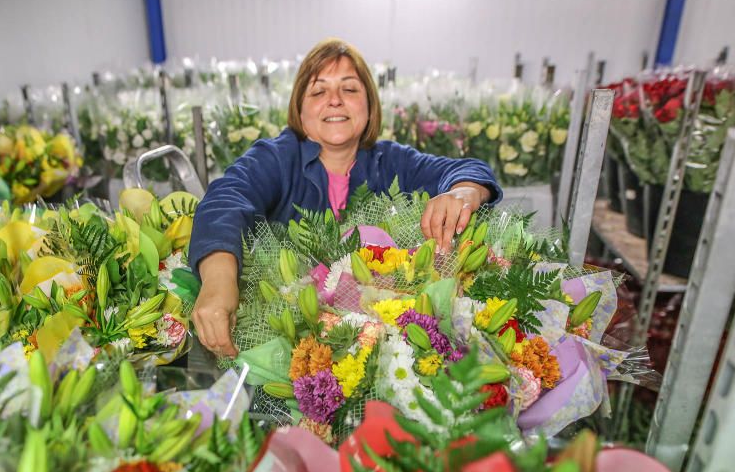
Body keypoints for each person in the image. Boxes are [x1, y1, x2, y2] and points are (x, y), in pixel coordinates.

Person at [189, 38, 502, 358]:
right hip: (294, 346)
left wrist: (460, 193)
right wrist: (218, 282)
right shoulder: (277, 158)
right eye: (318, 91)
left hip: (385, 345)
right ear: (300, 109)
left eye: (349, 89)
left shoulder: (391, 161)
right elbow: (225, 200)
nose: (335, 100)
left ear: (370, 105)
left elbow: (470, 170)